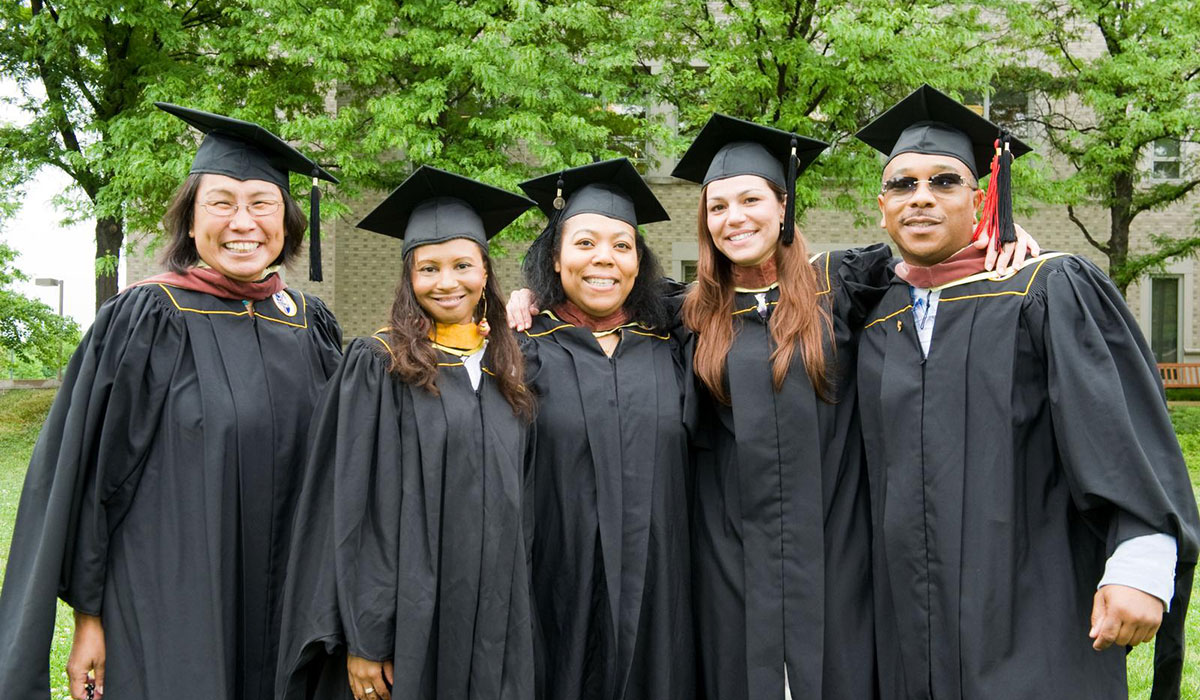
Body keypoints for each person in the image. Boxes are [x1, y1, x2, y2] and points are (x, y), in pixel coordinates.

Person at [853, 84, 1200, 699]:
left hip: (1033, 595)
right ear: (882, 207)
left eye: (944, 182)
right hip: (908, 615)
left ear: (982, 199)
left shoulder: (1044, 288)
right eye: (903, 185)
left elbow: (1118, 430)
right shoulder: (874, 315)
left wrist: (1140, 563)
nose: (922, 198)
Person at [0, 103, 342, 700]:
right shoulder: (148, 318)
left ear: (287, 222)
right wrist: (89, 618)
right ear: (190, 220)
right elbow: (93, 480)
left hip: (289, 611)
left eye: (262, 204)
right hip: (171, 611)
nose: (243, 222)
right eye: (221, 203)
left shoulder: (311, 327)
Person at [275, 166, 538, 700]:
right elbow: (351, 509)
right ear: (409, 277)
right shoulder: (378, 364)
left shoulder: (506, 365)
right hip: (406, 624)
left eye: (463, 265)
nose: (448, 282)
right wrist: (365, 637)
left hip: (494, 617)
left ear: (486, 273)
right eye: (429, 268)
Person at [514, 158, 694, 700]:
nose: (604, 260)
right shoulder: (520, 347)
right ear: (555, 255)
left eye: (622, 245)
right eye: (585, 243)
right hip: (555, 587)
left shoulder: (675, 344)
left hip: (660, 590)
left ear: (641, 264)